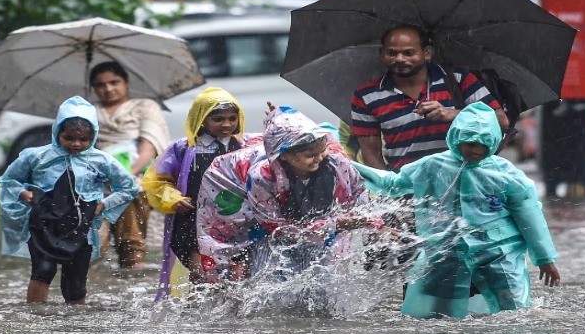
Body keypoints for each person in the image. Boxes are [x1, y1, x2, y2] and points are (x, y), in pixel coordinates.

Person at [352, 102, 561, 319]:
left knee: (514, 312)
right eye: (470, 143)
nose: (476, 150)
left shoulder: (507, 175)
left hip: (497, 251)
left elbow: (530, 217)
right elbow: (393, 184)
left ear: (494, 142)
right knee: (434, 315)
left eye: (484, 144)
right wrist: (349, 165)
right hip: (447, 250)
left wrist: (545, 259)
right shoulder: (433, 165)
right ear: (456, 138)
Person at [0, 96, 138, 304]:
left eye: (83, 139)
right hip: (43, 225)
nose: (76, 144)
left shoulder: (101, 160)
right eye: (69, 138)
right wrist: (24, 193)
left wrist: (104, 204)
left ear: (93, 136)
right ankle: (35, 316)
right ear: (57, 133)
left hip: (81, 227)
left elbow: (128, 187)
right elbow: (8, 180)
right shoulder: (36, 157)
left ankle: (76, 327)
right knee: (42, 271)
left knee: (75, 281)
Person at [142, 88, 259, 296]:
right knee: (202, 278)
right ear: (201, 120)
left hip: (236, 224)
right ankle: (196, 322)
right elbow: (156, 182)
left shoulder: (245, 146)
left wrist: (276, 119)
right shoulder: (183, 150)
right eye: (218, 119)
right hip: (192, 223)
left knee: (237, 281)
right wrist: (173, 199)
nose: (226, 124)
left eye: (232, 118)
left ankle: (231, 324)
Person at [351, 25, 507, 172]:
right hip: (406, 190)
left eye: (409, 53)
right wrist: (388, 186)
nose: (399, 59)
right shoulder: (366, 95)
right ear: (381, 54)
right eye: (392, 53)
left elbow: (500, 120)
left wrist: (454, 115)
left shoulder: (458, 79)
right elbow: (370, 152)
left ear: (427, 53)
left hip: (463, 183)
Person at [247, 105, 373, 279]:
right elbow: (277, 229)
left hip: (324, 233)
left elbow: (359, 193)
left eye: (322, 151)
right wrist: (334, 224)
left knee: (324, 286)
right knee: (270, 286)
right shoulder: (262, 178)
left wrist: (372, 224)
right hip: (271, 237)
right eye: (310, 155)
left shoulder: (337, 164)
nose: (320, 159)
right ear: (283, 155)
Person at [89, 61, 171, 268]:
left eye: (114, 82)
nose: (108, 89)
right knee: (91, 247)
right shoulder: (88, 113)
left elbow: (149, 147)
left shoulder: (144, 107)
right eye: (100, 85)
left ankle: (132, 271)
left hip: (136, 177)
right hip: (96, 181)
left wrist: (126, 174)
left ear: (126, 83)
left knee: (131, 239)